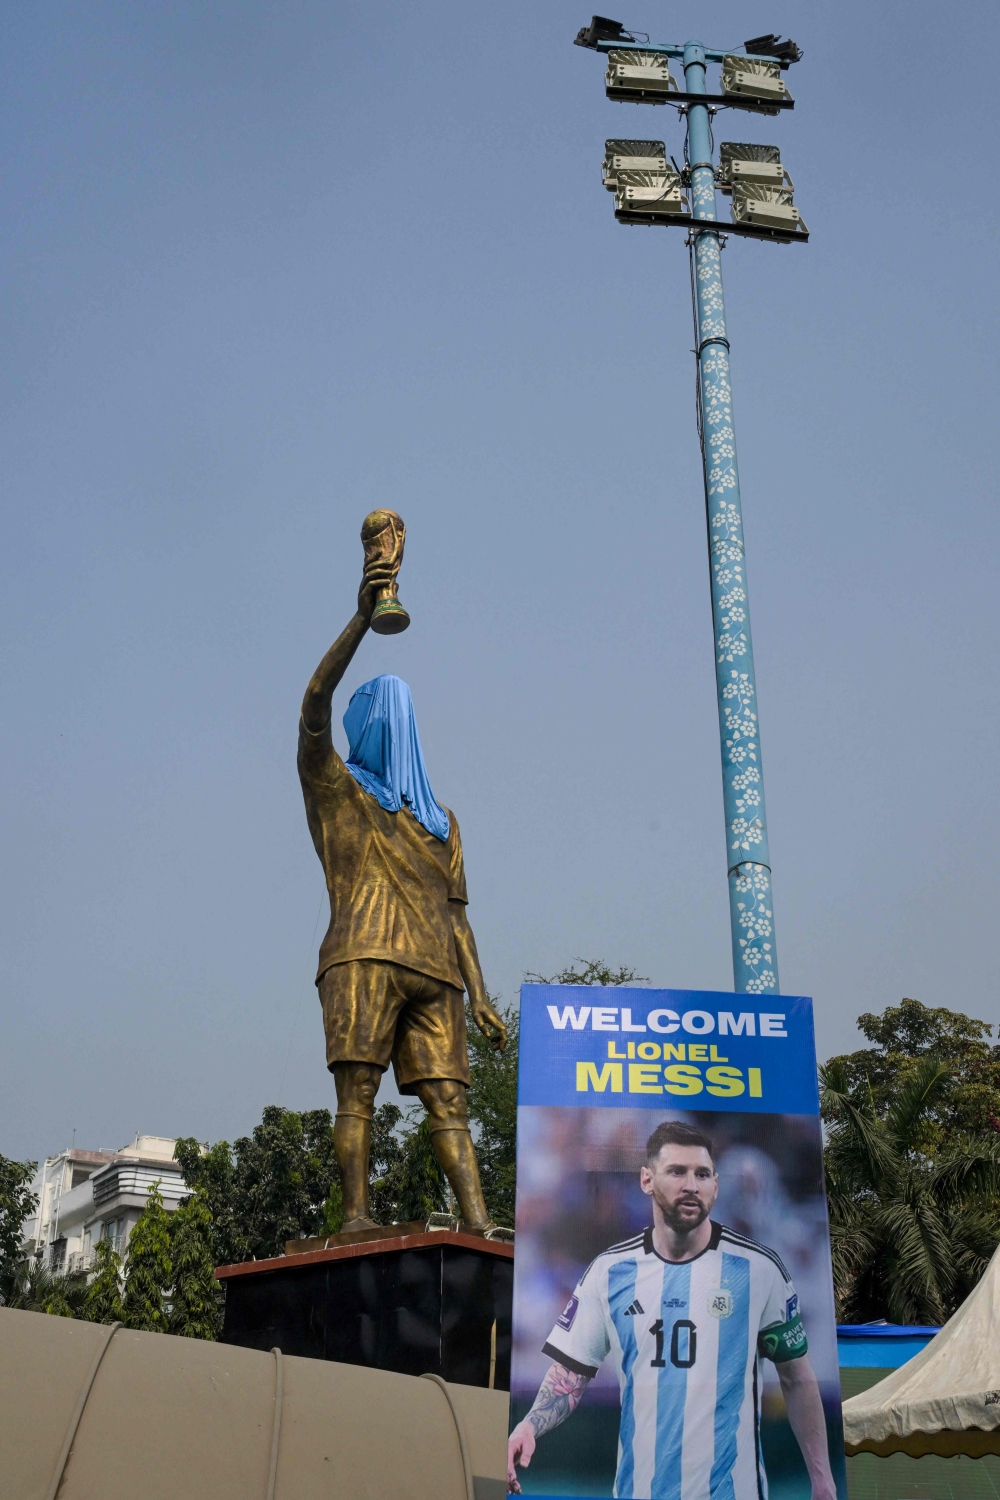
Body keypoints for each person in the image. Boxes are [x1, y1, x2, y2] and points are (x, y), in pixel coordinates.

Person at [298, 552, 508, 1235]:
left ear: (370, 726)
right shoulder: (441, 819)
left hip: (365, 958)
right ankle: (477, 1222)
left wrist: (361, 619)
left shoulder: (341, 789)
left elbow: (312, 708)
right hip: (439, 974)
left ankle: (358, 1217)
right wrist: (479, 996)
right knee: (451, 1107)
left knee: (356, 1098)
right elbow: (459, 920)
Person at [508, 1121, 837, 1500]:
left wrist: (823, 1480)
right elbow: (570, 1371)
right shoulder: (609, 1272)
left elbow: (796, 1376)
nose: (690, 1185)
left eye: (702, 1174)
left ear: (716, 1184)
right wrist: (530, 1425)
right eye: (676, 1172)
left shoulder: (759, 1269)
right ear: (647, 1180)